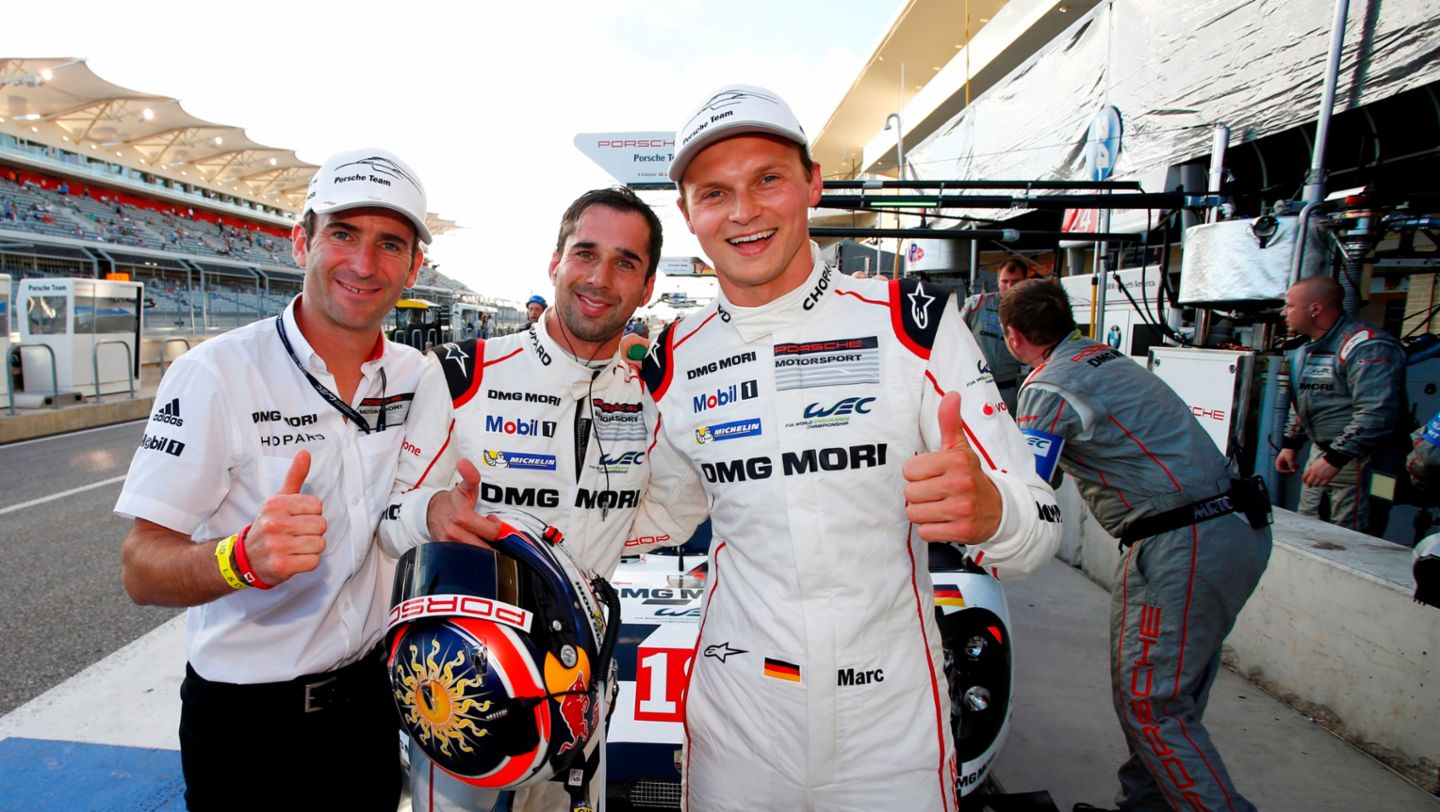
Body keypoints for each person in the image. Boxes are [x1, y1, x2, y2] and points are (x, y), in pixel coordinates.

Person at [630, 84, 1060, 811]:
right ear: (688, 214)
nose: (742, 212)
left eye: (767, 178)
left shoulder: (912, 322)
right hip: (739, 724)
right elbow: (663, 513)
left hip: (890, 730)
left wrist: (990, 513)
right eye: (714, 192)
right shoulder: (672, 356)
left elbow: (1037, 526)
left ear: (813, 184)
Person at [114, 147, 433, 810]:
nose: (363, 264)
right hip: (248, 726)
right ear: (301, 242)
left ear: (413, 265)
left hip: (370, 709)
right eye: (343, 234)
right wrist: (242, 558)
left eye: (389, 243)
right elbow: (140, 569)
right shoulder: (214, 373)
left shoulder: (414, 376)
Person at [378, 187, 666, 811]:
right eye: (585, 254)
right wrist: (429, 513)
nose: (599, 278)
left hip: (578, 691)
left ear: (647, 288)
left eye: (626, 263)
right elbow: (387, 518)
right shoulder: (463, 372)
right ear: (555, 262)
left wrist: (583, 554)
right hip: (464, 690)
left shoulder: (651, 397)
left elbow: (669, 512)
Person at [999, 279, 1272, 812]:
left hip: (1179, 541)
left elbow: (1029, 486)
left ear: (1012, 336)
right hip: (1231, 529)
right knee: (1171, 695)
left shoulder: (1049, 384)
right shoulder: (1105, 358)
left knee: (1152, 704)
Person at [1275, 275, 1407, 533]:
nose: (1283, 312)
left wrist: (1335, 458)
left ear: (1315, 309)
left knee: (1351, 537)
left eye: (1290, 306)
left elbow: (1377, 413)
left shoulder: (1368, 346)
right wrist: (1291, 444)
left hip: (1363, 461)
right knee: (1307, 530)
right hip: (1324, 454)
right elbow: (1304, 398)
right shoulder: (1306, 348)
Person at [958, 258, 1031, 412]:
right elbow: (953, 337)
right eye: (1005, 281)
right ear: (998, 281)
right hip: (976, 389)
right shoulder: (977, 304)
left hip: (1011, 390)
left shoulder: (1033, 311)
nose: (1010, 286)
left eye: (1015, 281)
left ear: (1025, 281)